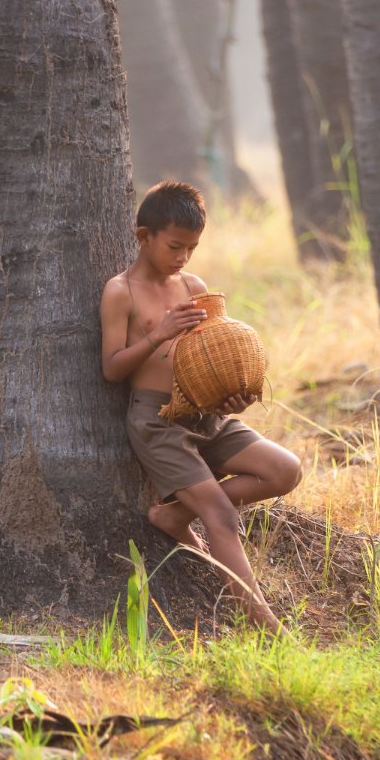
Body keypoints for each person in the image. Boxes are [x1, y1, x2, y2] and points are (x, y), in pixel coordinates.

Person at [100, 181, 301, 632]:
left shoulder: (193, 285)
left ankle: (175, 514)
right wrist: (160, 332)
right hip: (157, 421)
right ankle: (267, 627)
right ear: (143, 236)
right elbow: (112, 368)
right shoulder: (121, 292)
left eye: (191, 248)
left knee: (284, 470)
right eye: (174, 246)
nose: (183, 258)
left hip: (205, 412)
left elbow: (208, 355)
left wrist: (236, 395)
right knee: (222, 516)